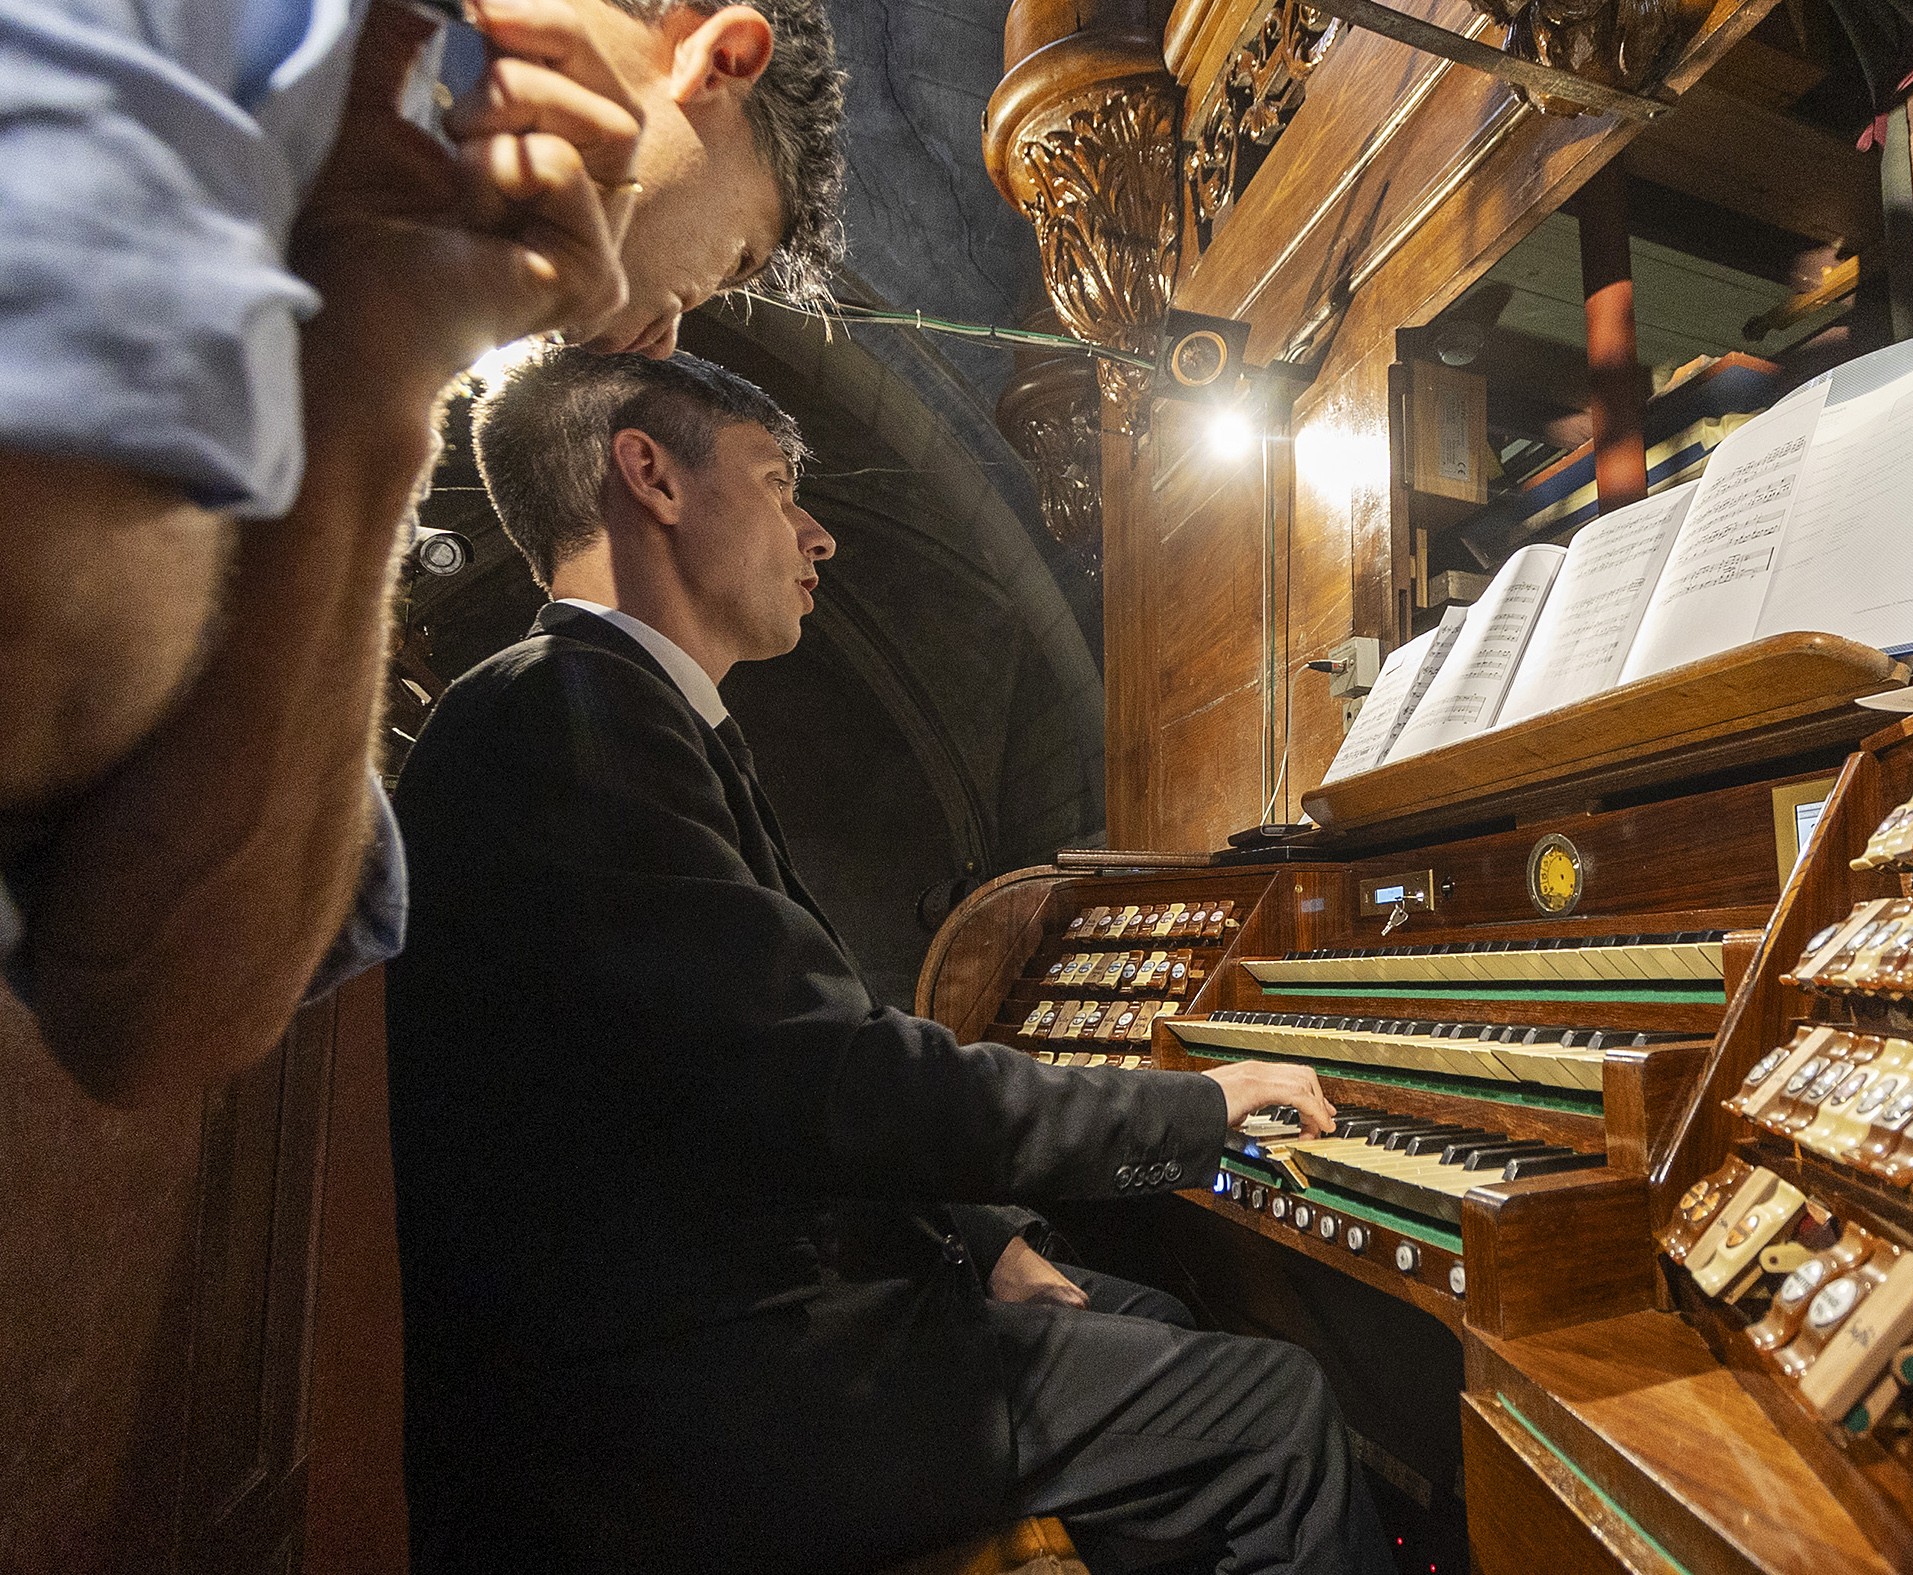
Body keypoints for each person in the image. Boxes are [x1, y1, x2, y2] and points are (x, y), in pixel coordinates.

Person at [385, 345, 1394, 1575]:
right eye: (775, 481)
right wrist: (1199, 1101)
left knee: (1145, 1310)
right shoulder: (567, 718)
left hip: (703, 1330)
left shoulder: (595, 707)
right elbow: (824, 1079)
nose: (818, 535)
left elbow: (758, 1069)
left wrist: (982, 1238)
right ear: (649, 477)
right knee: (1269, 1414)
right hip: (677, 1404)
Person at [0, 0, 843, 1104]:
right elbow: (36, 656)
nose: (674, 329)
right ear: (719, 58)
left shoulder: (390, 221)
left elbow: (164, 1019)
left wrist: (380, 387)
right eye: (730, 262)